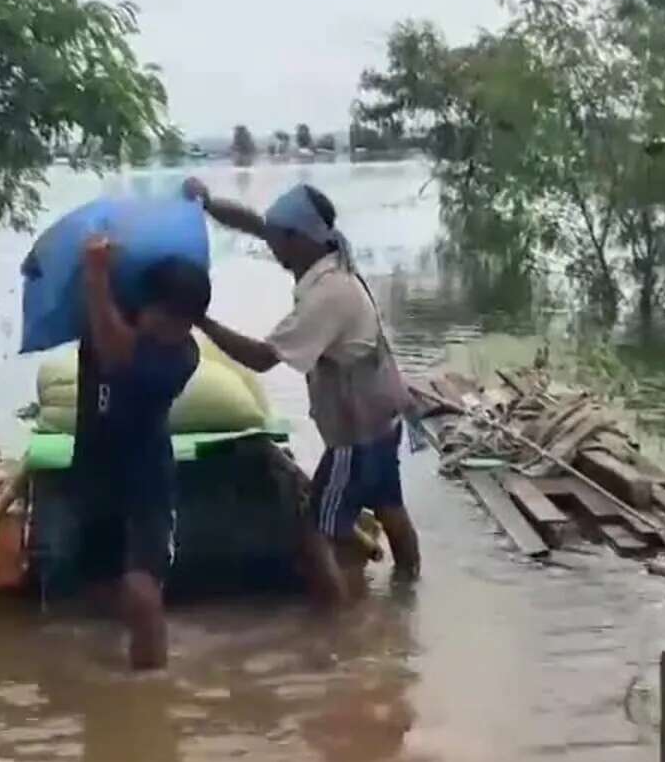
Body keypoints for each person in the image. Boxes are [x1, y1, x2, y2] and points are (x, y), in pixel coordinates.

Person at [180, 178, 420, 603]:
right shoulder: (329, 260)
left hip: (355, 436)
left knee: (313, 536)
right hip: (382, 421)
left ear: (300, 239)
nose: (272, 247)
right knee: (388, 506)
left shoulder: (328, 295)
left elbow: (262, 357)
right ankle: (408, 596)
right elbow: (256, 225)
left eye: (279, 239)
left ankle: (337, 636)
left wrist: (201, 321)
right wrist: (209, 203)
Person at [70, 234, 209, 669]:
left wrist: (96, 276)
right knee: (98, 592)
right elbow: (103, 336)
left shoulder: (180, 358)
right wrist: (99, 276)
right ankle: (112, 685)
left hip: (146, 485)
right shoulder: (110, 318)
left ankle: (150, 699)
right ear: (145, 307)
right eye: (169, 319)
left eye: (186, 323)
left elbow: (115, 355)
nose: (176, 332)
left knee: (142, 594)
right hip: (95, 476)